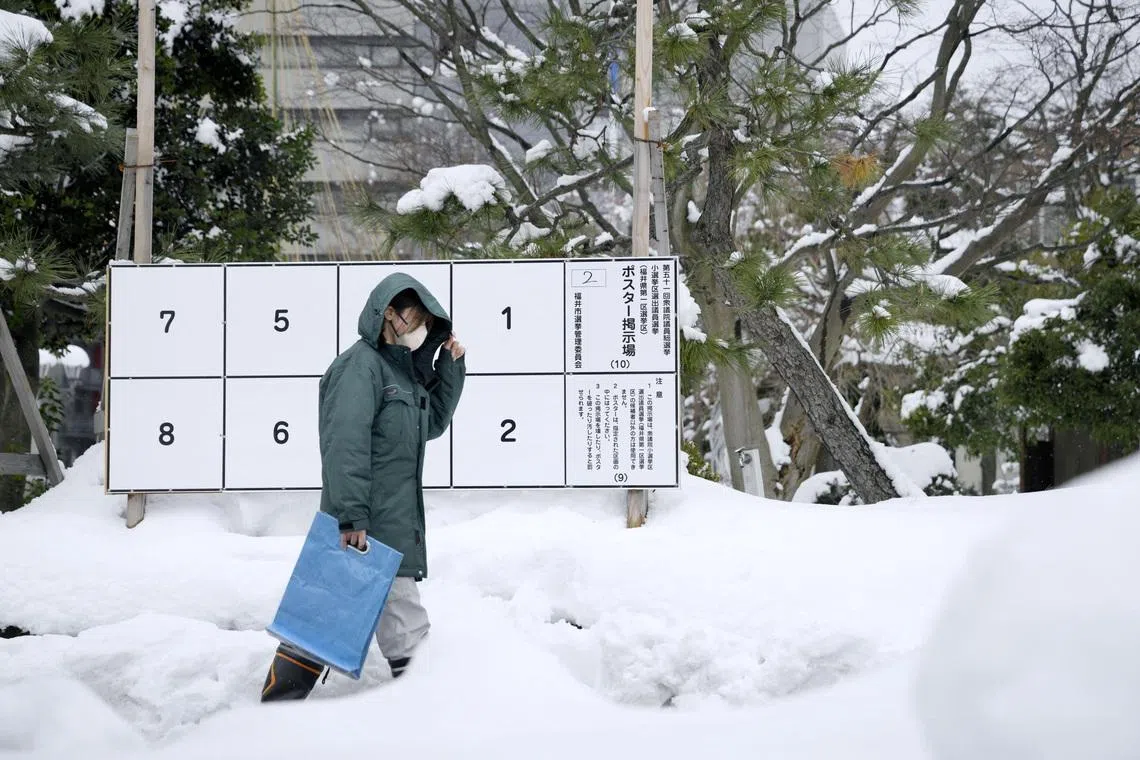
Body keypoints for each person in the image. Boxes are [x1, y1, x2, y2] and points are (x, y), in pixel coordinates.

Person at [260, 272, 466, 702]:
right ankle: (433, 716)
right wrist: (351, 515)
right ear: (389, 313)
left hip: (389, 523)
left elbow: (429, 423)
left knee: (324, 623)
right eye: (417, 317)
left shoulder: (401, 374)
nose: (422, 327)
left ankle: (278, 713)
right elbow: (344, 445)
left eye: (430, 320)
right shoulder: (360, 366)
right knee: (396, 629)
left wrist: (449, 366)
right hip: (365, 526)